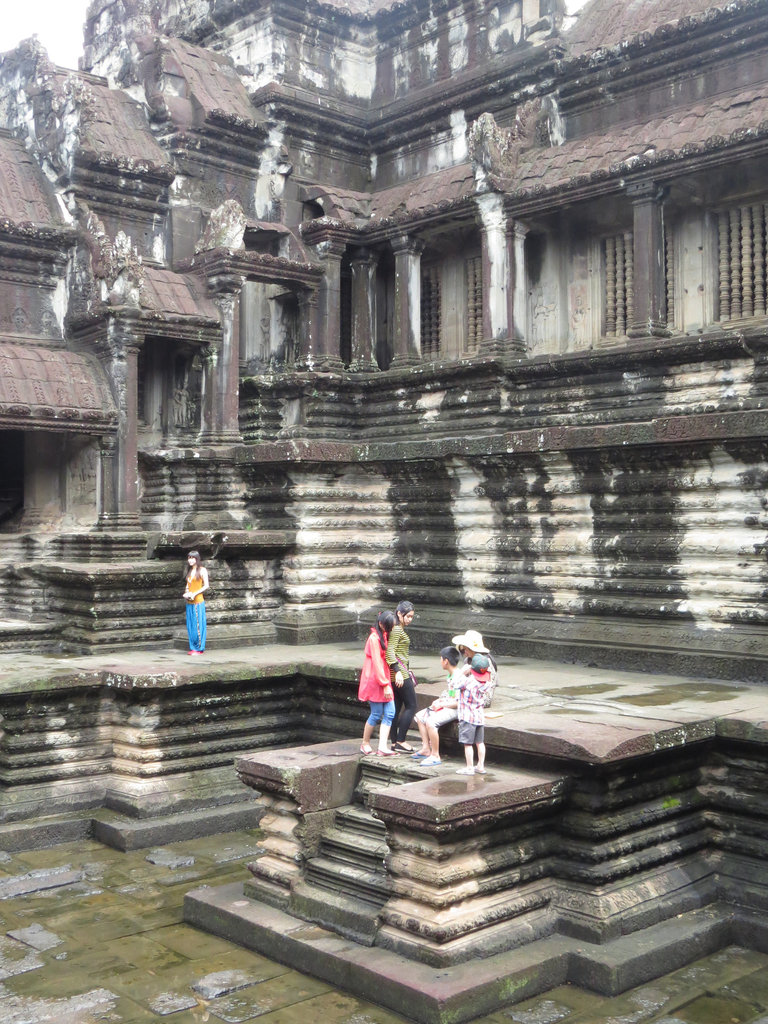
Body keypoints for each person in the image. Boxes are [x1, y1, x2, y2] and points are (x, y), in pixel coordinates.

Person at [411, 646, 461, 767]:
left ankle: (435, 754)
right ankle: (426, 748)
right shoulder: (450, 675)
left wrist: (442, 704)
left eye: (441, 659)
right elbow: (451, 695)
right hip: (448, 705)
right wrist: (440, 700)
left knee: (431, 722)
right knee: (419, 716)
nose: (440, 661)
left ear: (446, 661)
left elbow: (459, 702)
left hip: (456, 709)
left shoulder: (459, 677)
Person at [358, 611, 398, 757]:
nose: (391, 630)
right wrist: (385, 684)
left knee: (390, 712)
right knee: (376, 713)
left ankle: (382, 746)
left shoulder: (384, 635)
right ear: (381, 624)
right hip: (375, 678)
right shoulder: (374, 638)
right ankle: (365, 743)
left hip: (383, 676)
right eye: (389, 627)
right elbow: (376, 662)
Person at [386, 600, 417, 753]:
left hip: (395, 675)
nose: (410, 619)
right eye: (408, 616)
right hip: (401, 675)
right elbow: (390, 651)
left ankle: (393, 742)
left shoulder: (396, 628)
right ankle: (401, 740)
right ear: (399, 613)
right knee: (412, 706)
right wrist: (398, 671)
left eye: (412, 616)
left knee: (396, 708)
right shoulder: (397, 629)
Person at [456, 653, 492, 775]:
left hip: (467, 717)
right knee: (480, 743)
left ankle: (470, 767)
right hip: (479, 718)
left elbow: (454, 684)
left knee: (468, 744)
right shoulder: (485, 684)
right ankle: (480, 766)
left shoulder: (467, 682)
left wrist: (462, 672)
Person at [451, 629, 498, 707]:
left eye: (466, 649)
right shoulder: (468, 660)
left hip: (482, 697)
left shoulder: (485, 661)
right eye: (463, 649)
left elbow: (486, 685)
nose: (464, 652)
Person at [183, 551, 209, 655]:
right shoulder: (189, 571)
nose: (190, 560)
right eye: (189, 558)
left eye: (192, 558)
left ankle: (199, 648)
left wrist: (194, 594)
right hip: (189, 601)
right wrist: (187, 593)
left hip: (198, 601)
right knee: (191, 625)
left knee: (198, 624)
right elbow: (188, 585)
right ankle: (193, 647)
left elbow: (206, 585)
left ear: (197, 559)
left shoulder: (202, 570)